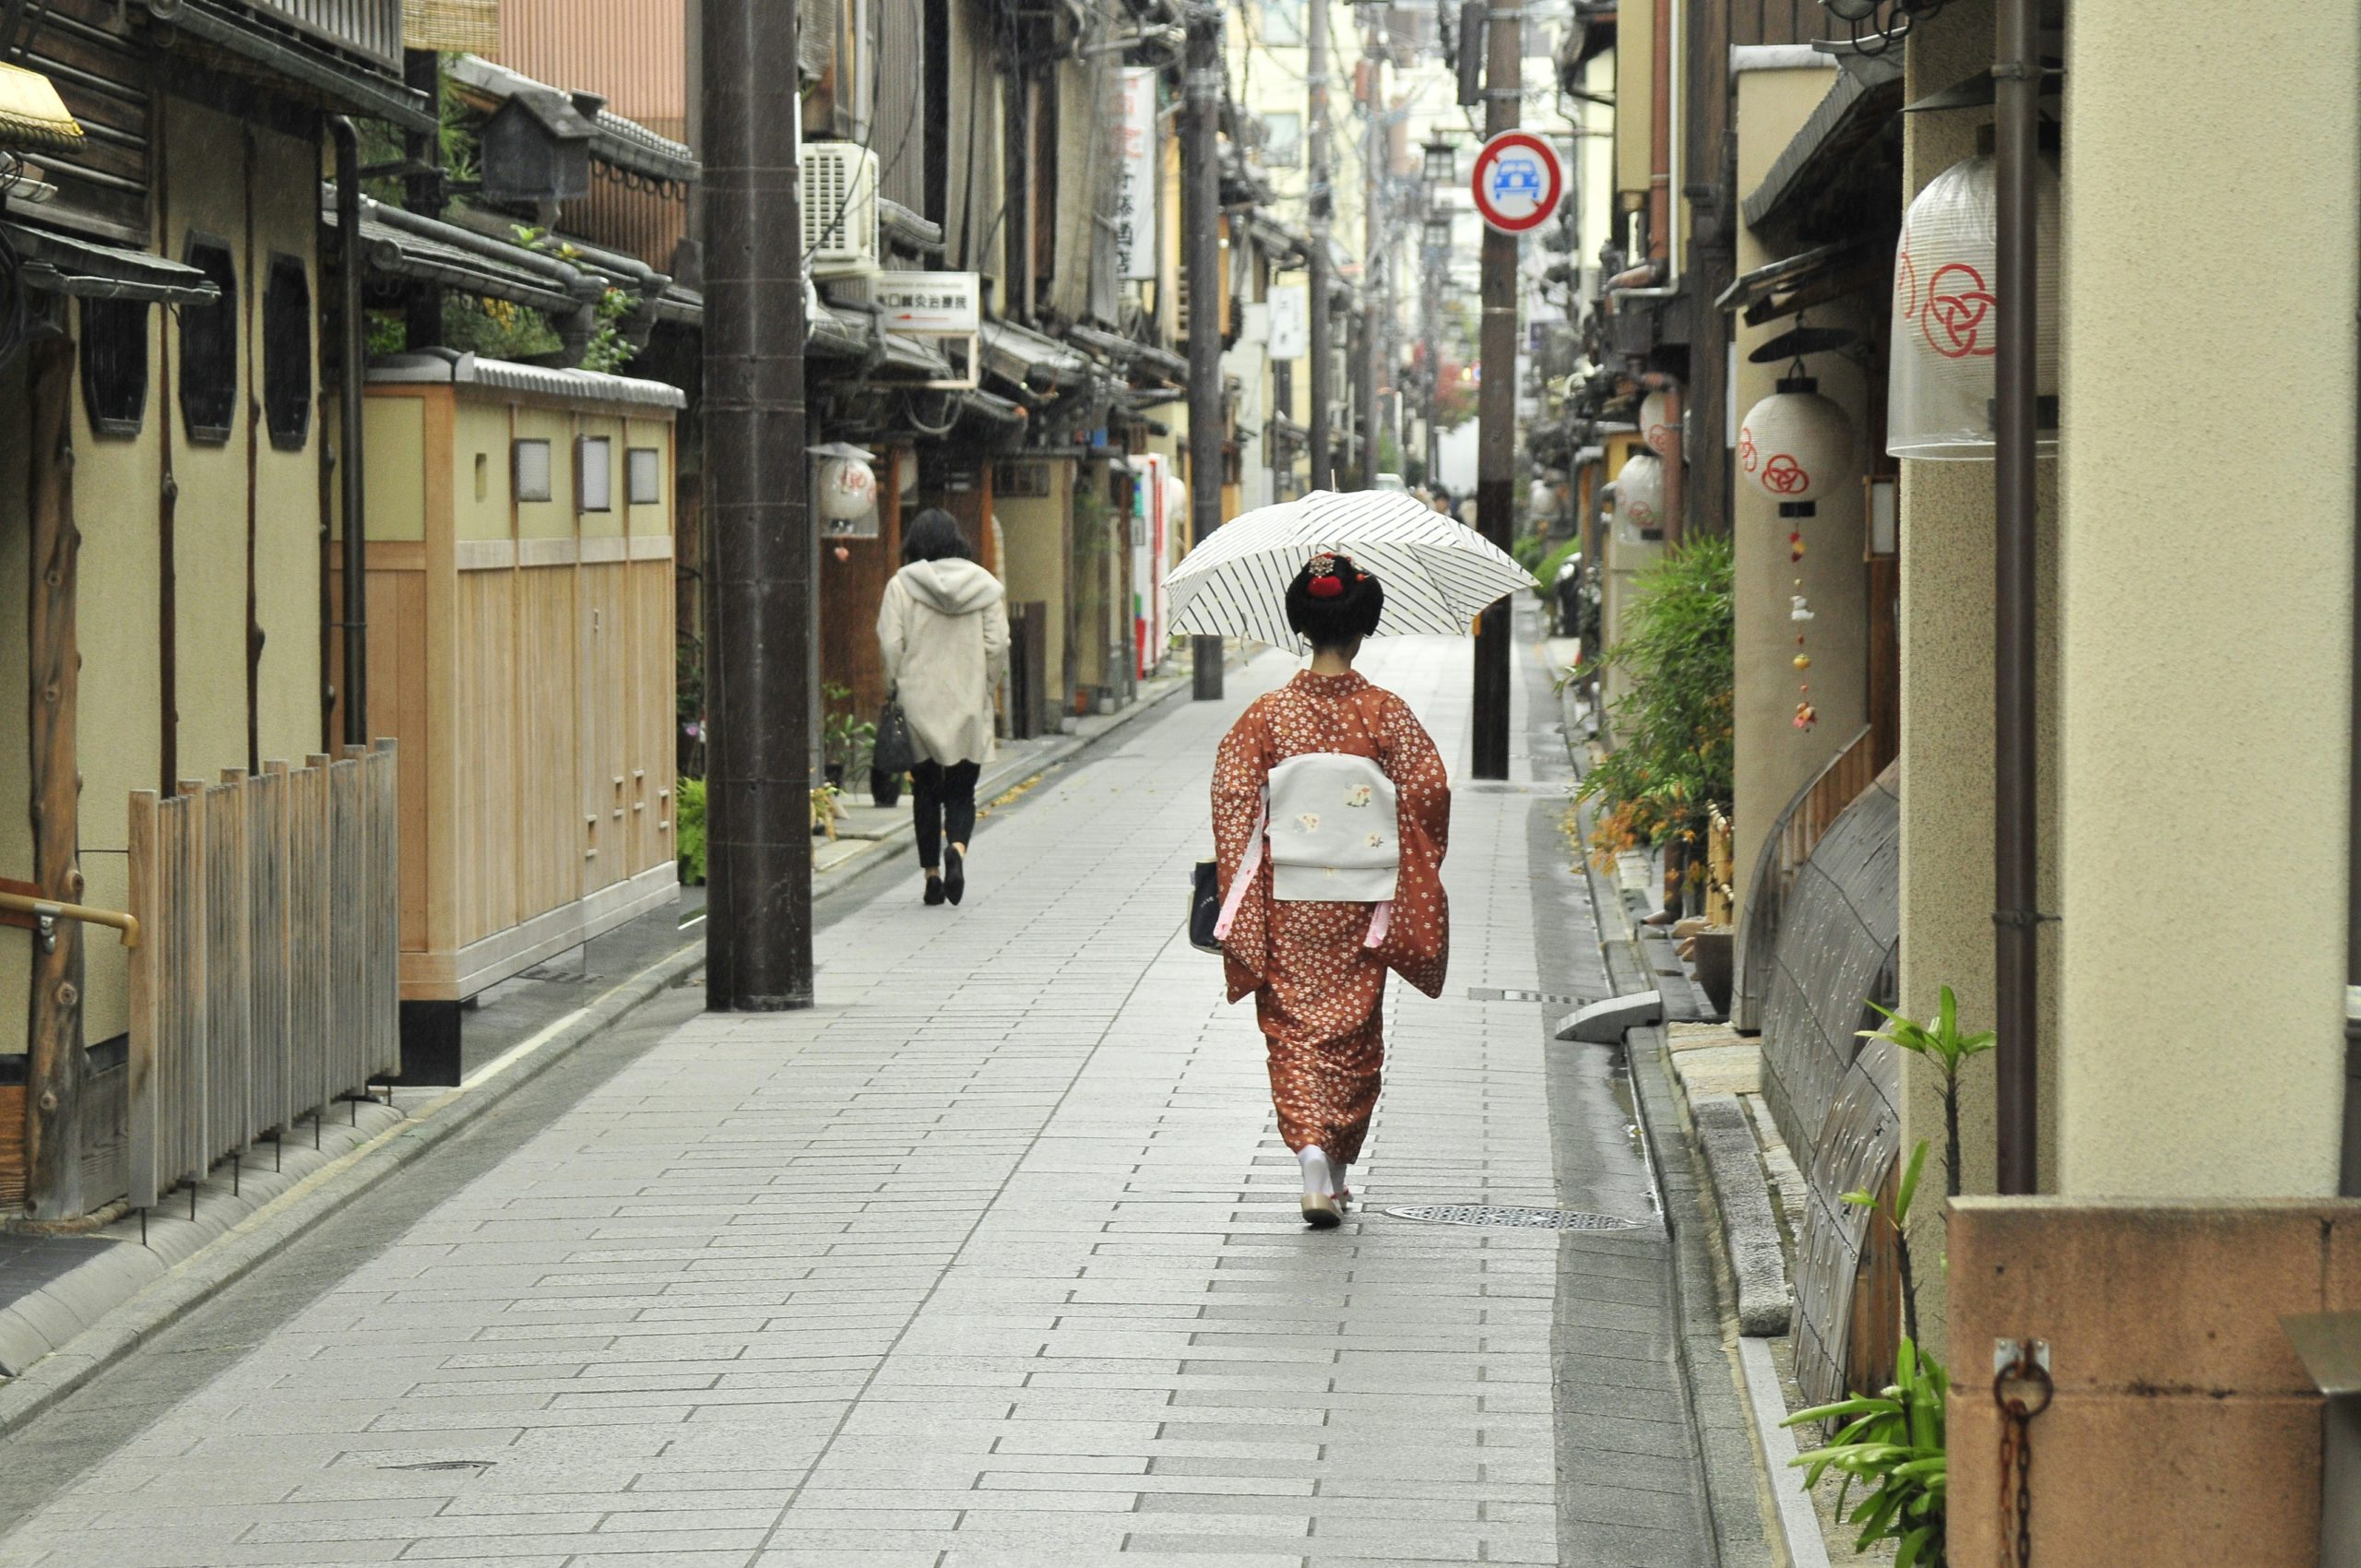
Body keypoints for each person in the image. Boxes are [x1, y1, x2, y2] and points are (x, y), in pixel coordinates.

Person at [1210, 553, 1452, 1227]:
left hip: (1288, 895)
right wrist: (1388, 834)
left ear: (1301, 624)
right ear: (1363, 626)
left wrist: (1248, 865)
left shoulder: (1265, 716)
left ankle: (1312, 1158)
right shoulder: (1386, 713)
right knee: (1352, 1031)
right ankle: (1338, 1168)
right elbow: (1429, 793)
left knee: (1292, 1031)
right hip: (1364, 897)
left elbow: (1232, 797)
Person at [877, 508, 1009, 906]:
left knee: (926, 791)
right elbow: (998, 644)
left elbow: (889, 643)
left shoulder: (901, 586)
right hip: (968, 700)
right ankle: (957, 850)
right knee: (961, 791)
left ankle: (932, 876)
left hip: (918, 702)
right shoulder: (985, 585)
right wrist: (986, 685)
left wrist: (895, 687)